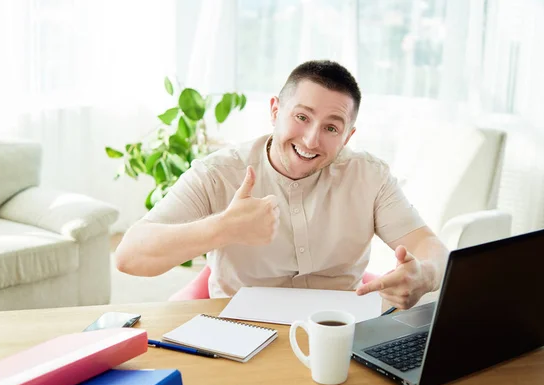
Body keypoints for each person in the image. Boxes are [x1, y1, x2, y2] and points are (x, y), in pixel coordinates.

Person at [115, 60, 449, 310]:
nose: (311, 139)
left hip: (337, 327)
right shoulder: (218, 173)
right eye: (301, 117)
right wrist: (223, 228)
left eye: (331, 128)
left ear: (348, 136)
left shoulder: (369, 176)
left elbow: (430, 247)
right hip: (240, 325)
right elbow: (129, 256)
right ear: (275, 111)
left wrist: (425, 275)